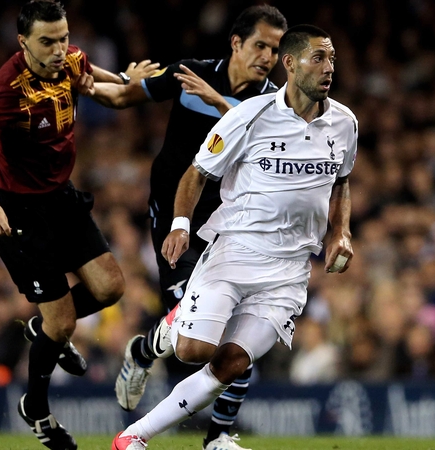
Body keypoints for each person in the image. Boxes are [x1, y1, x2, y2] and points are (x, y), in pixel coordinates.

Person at [110, 24, 357, 450]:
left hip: (289, 273)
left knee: (232, 364)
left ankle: (135, 437)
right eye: (319, 57)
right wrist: (181, 226)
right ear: (291, 63)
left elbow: (342, 183)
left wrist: (341, 233)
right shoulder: (250, 114)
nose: (328, 67)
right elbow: (197, 172)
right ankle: (170, 330)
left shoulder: (345, 123)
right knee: (193, 351)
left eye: (332, 58)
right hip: (235, 251)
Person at [0, 1, 158, 449]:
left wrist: (129, 81)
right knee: (64, 322)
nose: (58, 48)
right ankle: (37, 408)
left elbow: (99, 78)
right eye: (46, 41)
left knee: (110, 287)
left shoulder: (71, 60)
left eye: (63, 37)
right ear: (23, 42)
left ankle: (44, 329)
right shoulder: (7, 89)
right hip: (19, 213)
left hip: (62, 200)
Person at [88, 6, 287, 449]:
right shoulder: (190, 73)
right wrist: (84, 82)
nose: (268, 56)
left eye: (274, 49)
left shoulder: (276, 102)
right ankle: (145, 352)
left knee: (238, 336)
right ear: (236, 43)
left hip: (230, 225)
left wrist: (220, 104)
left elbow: (262, 137)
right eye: (260, 45)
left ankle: (218, 437)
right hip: (175, 213)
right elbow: (122, 96)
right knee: (192, 330)